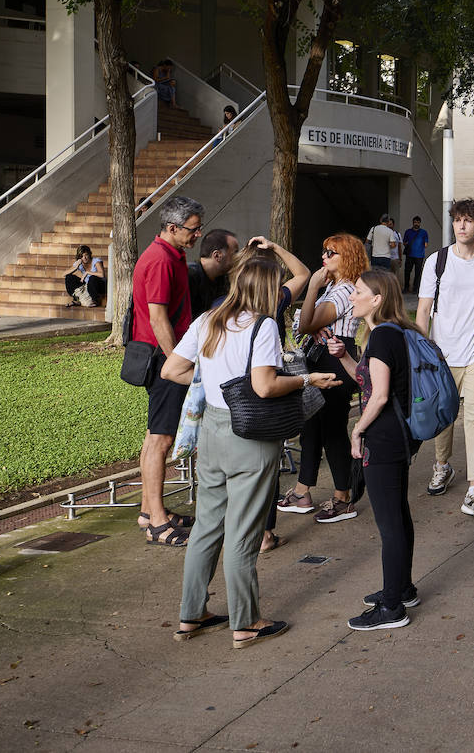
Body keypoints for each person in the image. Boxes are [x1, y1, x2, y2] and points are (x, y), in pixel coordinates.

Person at [163, 250, 338, 649]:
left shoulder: (207, 321)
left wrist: (217, 384)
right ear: (268, 289)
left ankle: (191, 614)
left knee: (207, 526)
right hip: (252, 438)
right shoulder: (262, 329)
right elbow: (264, 386)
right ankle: (246, 622)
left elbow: (170, 370)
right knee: (243, 532)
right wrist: (306, 380)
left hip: (212, 432)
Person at [327, 269, 421, 630]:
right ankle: (402, 588)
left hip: (383, 438)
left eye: (359, 292)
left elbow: (379, 396)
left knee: (389, 524)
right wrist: (344, 357)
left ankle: (392, 607)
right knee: (398, 514)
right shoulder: (393, 332)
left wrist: (358, 429)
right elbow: (370, 381)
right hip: (397, 436)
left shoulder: (382, 337)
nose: (352, 297)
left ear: (377, 299)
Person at [416, 197, 474, 516]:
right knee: (445, 416)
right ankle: (442, 465)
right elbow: (423, 310)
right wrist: (420, 349)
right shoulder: (436, 261)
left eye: (468, 220)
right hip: (443, 354)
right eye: (457, 219)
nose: (461, 225)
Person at [275, 232, 366, 523]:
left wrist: (313, 286)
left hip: (336, 359)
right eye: (324, 252)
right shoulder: (335, 287)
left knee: (332, 429)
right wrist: (311, 323)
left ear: (347, 258)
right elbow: (305, 325)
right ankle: (303, 492)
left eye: (331, 253)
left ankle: (343, 497)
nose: (324, 258)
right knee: (313, 425)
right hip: (323, 356)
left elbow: (304, 322)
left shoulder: (344, 290)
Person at [132, 195, 204, 546]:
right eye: (193, 229)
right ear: (172, 228)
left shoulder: (170, 254)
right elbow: (158, 317)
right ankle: (157, 521)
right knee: (160, 440)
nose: (197, 234)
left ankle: (150, 510)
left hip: (163, 358)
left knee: (156, 436)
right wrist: (176, 360)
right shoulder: (160, 259)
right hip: (164, 360)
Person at [242, 235, 312, 555]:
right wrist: (277, 247)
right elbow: (304, 274)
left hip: (233, 398)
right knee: (268, 464)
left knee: (246, 469)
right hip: (266, 393)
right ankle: (265, 533)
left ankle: (247, 529)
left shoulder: (225, 308)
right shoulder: (272, 305)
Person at [188, 228, 239, 316]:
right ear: (217, 255)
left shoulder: (223, 279)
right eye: (235, 253)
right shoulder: (188, 277)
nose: (238, 258)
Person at [401, 215, 430, 292]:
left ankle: (414, 288)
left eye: (417, 222)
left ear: (420, 223)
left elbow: (426, 244)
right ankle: (410, 288)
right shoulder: (408, 231)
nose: (416, 224)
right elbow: (404, 242)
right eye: (415, 222)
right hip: (410, 255)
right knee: (408, 272)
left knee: (417, 273)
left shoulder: (423, 232)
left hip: (419, 256)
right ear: (413, 223)